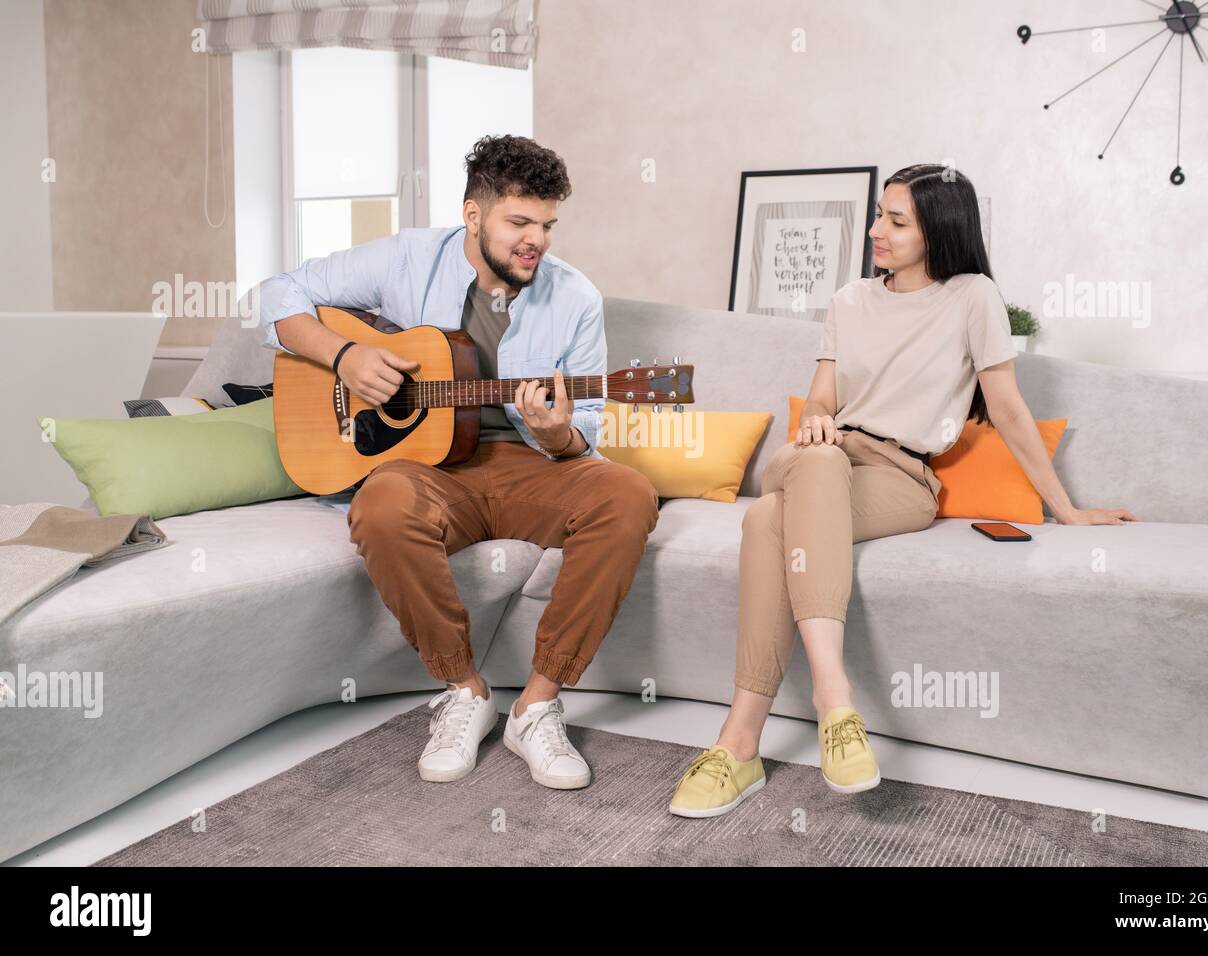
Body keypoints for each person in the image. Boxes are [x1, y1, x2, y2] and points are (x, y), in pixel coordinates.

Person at [668, 163, 1138, 818]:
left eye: (895, 220)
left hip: (902, 477)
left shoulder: (973, 297)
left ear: (938, 231)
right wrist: (816, 417)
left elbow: (1006, 409)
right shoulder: (849, 301)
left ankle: (737, 744)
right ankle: (836, 703)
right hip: (818, 456)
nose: (874, 231)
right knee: (819, 463)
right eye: (878, 215)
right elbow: (824, 397)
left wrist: (1067, 510)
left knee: (766, 522)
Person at [259, 134, 659, 791]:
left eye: (549, 225)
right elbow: (277, 294)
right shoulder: (408, 257)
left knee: (627, 494)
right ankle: (464, 691)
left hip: (531, 464)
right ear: (474, 215)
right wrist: (344, 356)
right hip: (433, 469)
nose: (537, 240)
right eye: (520, 222)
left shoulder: (576, 298)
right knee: (381, 505)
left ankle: (537, 706)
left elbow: (585, 428)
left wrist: (556, 434)